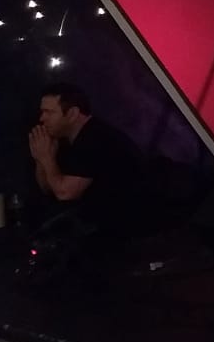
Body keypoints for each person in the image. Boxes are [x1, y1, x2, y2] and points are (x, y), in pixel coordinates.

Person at [28, 82, 146, 235]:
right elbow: (49, 188)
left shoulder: (94, 138)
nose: (42, 118)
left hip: (128, 227)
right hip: (105, 223)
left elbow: (65, 194)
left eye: (49, 112)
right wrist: (40, 158)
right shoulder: (70, 141)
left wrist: (46, 158)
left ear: (72, 114)